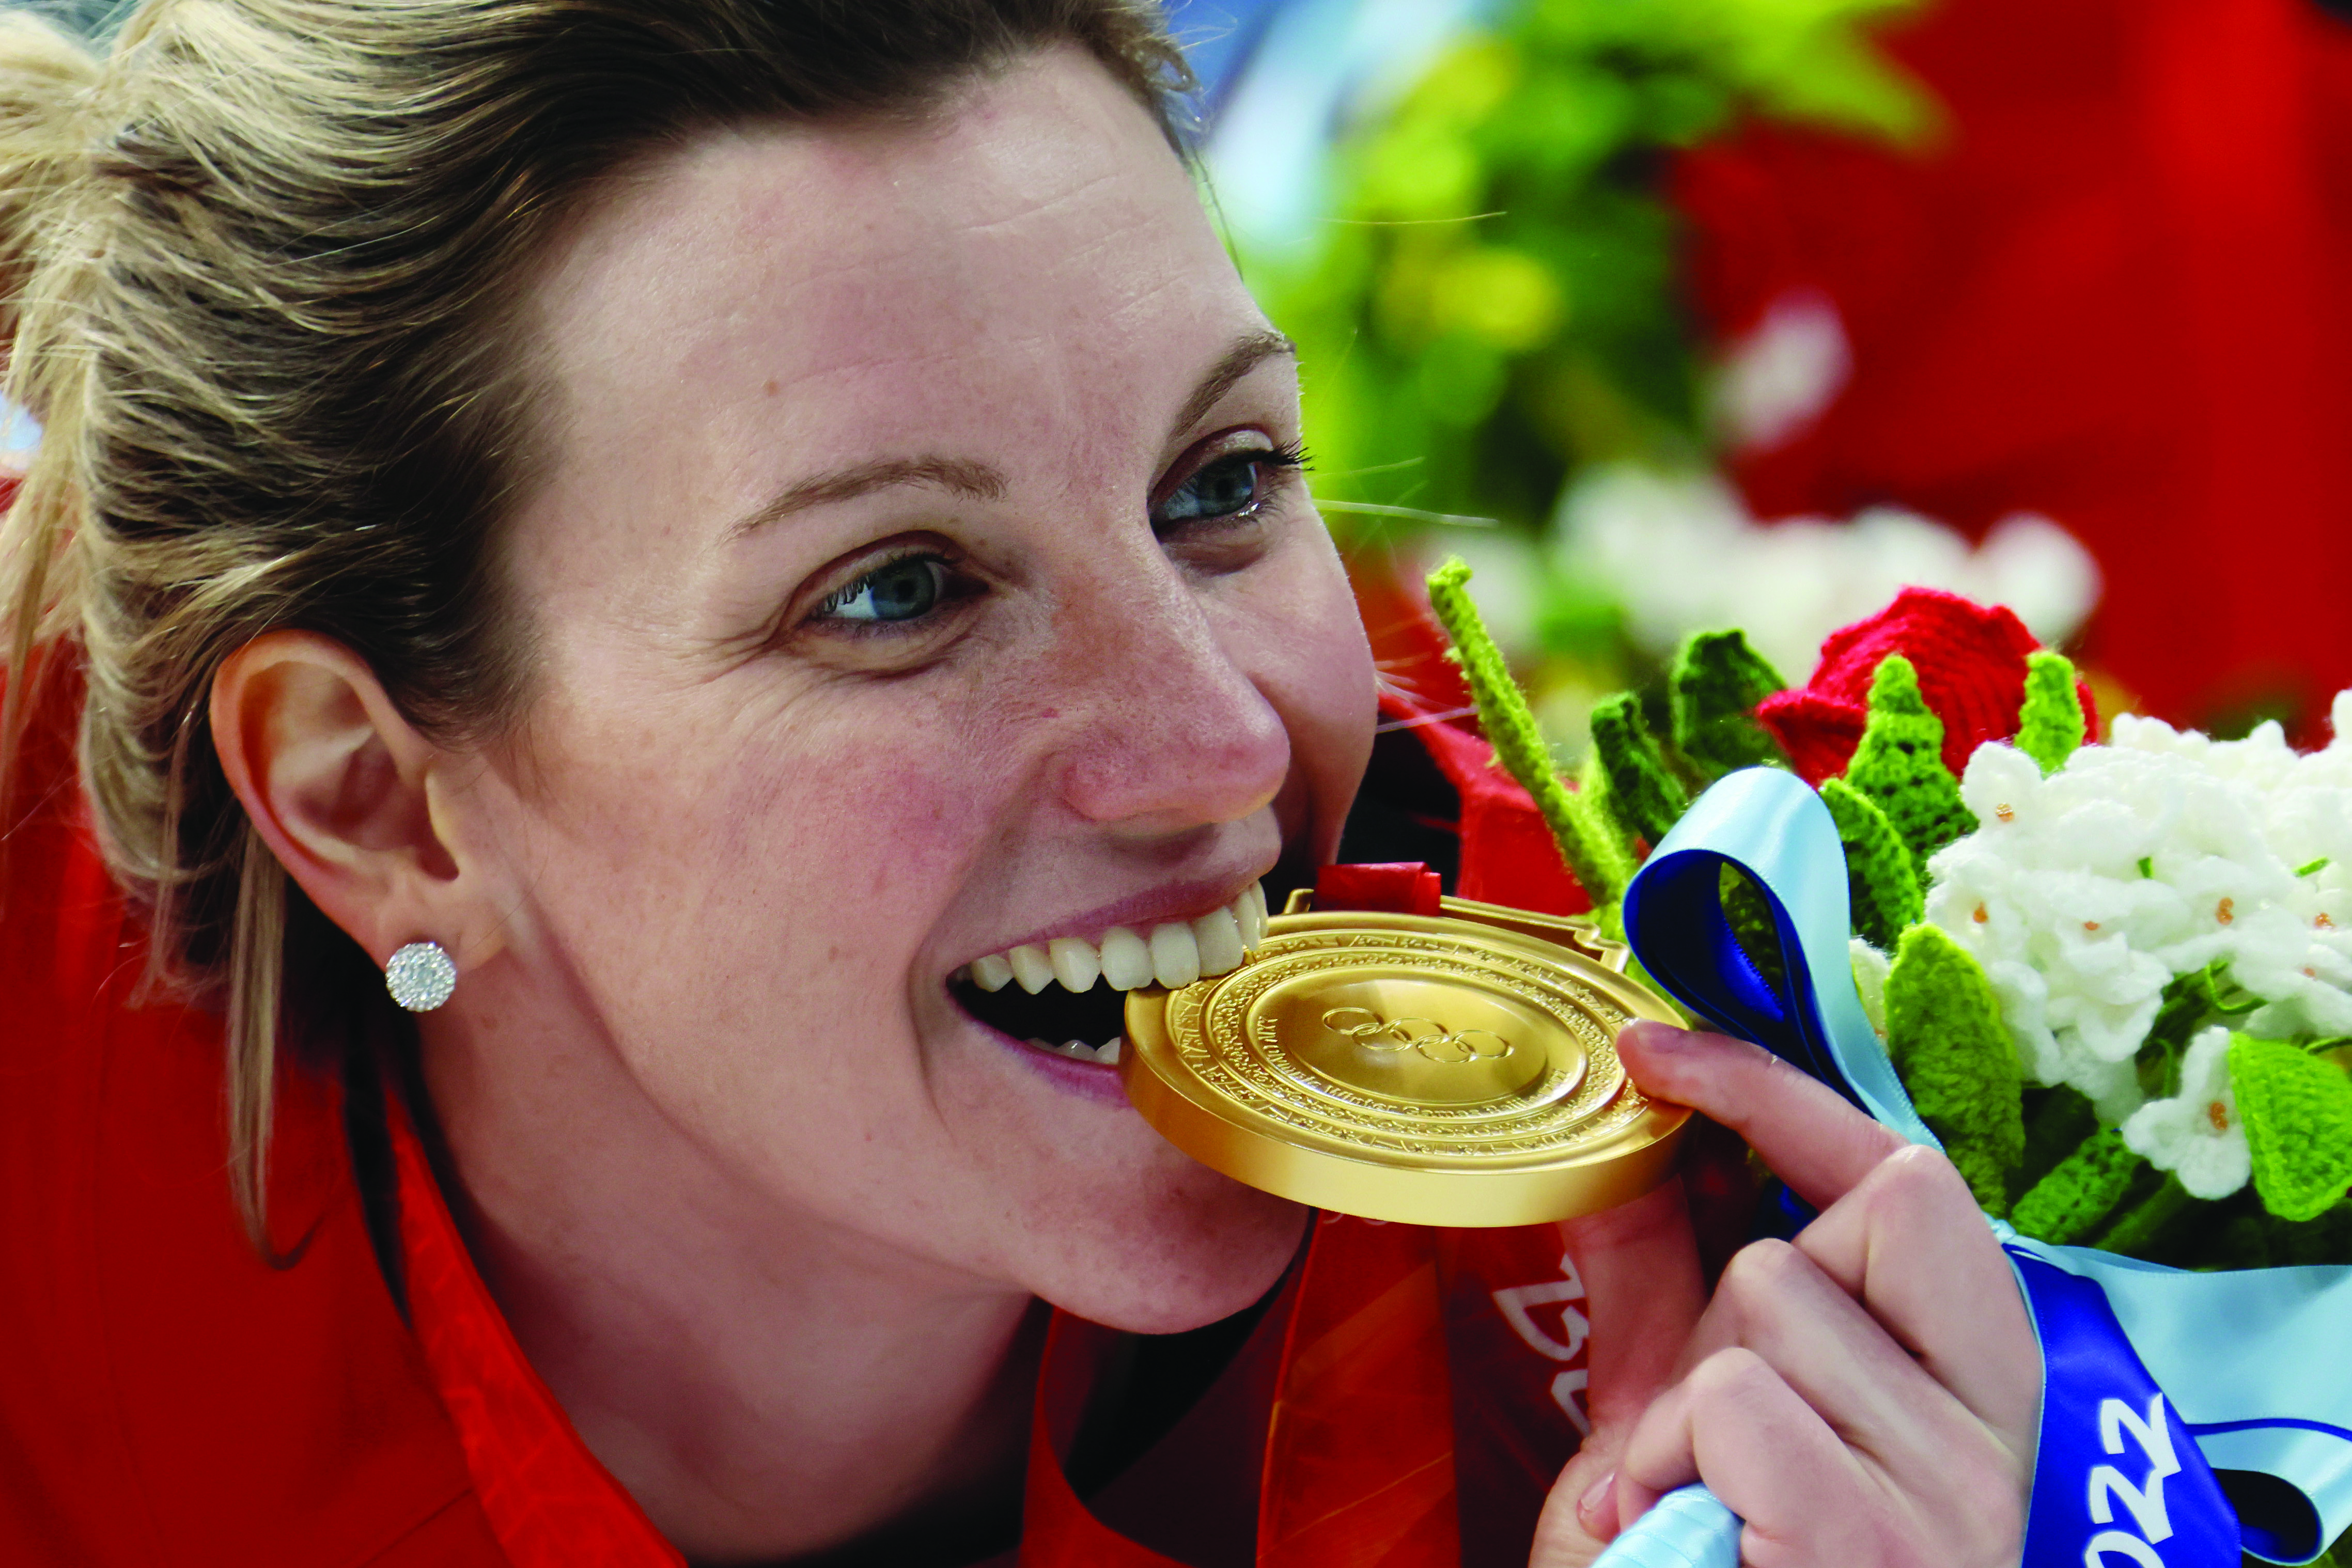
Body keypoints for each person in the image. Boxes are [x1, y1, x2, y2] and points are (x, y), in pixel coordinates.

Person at [0, 3, 2039, 1563]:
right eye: (894, 593)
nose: (1228, 749)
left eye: (1222, 484)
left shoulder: (1728, 1208)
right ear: (377, 804)